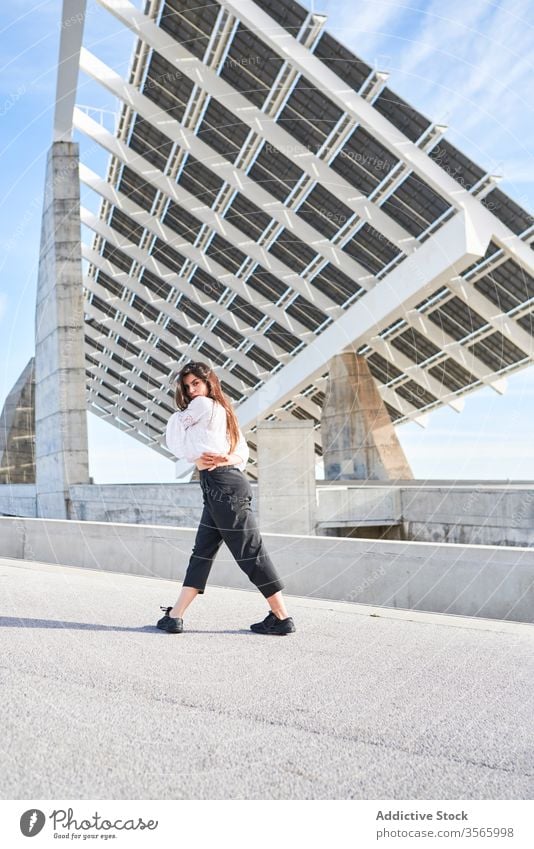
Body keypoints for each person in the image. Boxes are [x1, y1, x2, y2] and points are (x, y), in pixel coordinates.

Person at [157, 361, 296, 636]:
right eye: (187, 386)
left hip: (222, 484)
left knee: (248, 550)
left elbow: (173, 436)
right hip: (223, 482)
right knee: (203, 551)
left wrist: (196, 457)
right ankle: (175, 616)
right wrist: (222, 457)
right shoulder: (225, 412)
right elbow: (242, 453)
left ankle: (281, 617)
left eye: (196, 383)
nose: (192, 390)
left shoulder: (202, 406)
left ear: (209, 382)